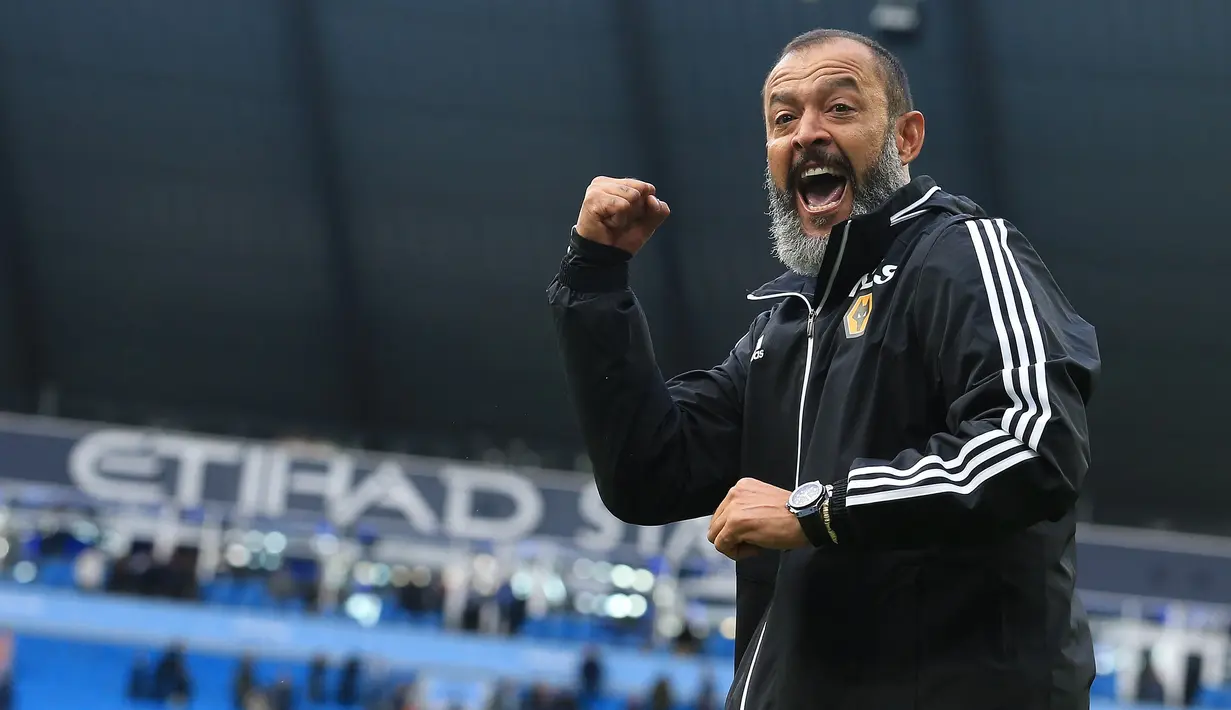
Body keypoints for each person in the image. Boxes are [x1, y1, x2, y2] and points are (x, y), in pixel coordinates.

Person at [548, 28, 1099, 710]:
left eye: (838, 109)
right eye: (783, 119)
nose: (806, 133)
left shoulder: (962, 255)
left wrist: (818, 509)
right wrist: (595, 279)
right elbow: (647, 475)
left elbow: (1033, 442)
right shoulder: (781, 331)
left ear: (905, 138)